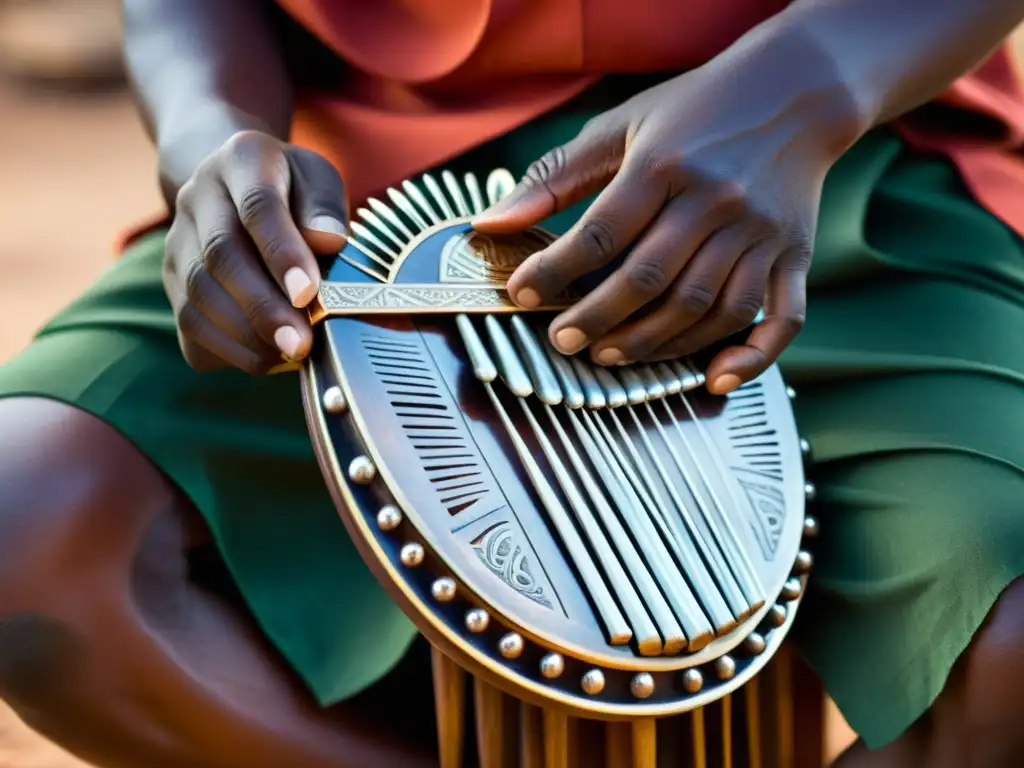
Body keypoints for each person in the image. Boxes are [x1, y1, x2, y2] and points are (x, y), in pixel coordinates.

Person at [0, 0, 1022, 765]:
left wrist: (803, 92)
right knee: (30, 533)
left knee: (1006, 637)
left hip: (843, 152)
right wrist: (207, 141)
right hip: (352, 207)